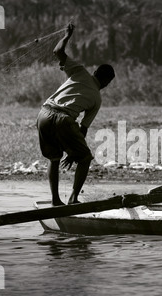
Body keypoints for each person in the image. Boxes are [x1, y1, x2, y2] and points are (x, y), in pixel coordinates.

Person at [36, 23, 115, 206]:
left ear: (94, 72)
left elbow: (57, 51)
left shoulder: (80, 71)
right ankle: (73, 199)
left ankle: (56, 200)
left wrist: (66, 36)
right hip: (64, 119)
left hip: (44, 114)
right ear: (107, 82)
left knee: (54, 158)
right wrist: (74, 152)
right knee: (85, 158)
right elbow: (83, 129)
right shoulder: (97, 99)